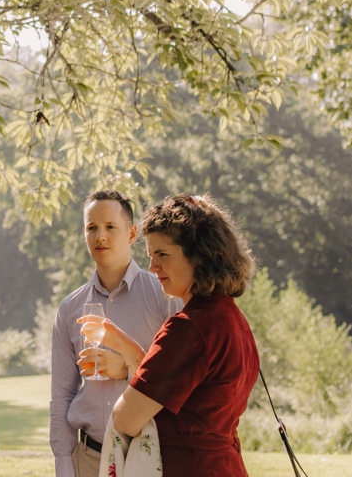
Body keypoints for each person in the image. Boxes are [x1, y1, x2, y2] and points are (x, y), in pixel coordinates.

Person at [91, 195, 260, 477]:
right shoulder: (233, 319)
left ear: (199, 256)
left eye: (163, 255)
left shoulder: (188, 328)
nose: (153, 267)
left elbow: (126, 419)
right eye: (150, 256)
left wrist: (132, 356)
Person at [50, 191, 180, 477]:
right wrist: (63, 462)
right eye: (91, 227)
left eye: (110, 227)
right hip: (88, 458)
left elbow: (178, 376)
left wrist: (127, 369)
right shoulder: (71, 307)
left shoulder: (164, 295)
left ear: (132, 233)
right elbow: (61, 395)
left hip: (146, 457)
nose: (100, 237)